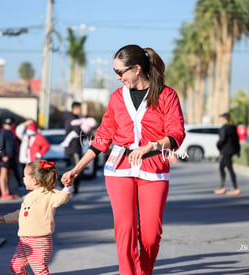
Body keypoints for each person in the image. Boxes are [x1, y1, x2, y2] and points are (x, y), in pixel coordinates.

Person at [61, 44, 186, 275]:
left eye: (120, 72)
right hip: (119, 169)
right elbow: (102, 137)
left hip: (154, 169)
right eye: (115, 71)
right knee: (125, 229)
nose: (117, 77)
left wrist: (154, 145)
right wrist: (77, 168)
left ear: (137, 69)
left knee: (150, 235)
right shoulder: (117, 98)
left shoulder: (167, 95)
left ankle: (144, 271)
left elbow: (177, 133)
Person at [0, 160, 71, 275]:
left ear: (34, 181)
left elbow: (62, 198)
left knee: (40, 271)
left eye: (25, 177)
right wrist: (5, 218)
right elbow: (22, 213)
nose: (23, 179)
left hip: (39, 241)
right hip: (24, 241)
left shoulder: (49, 193)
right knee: (16, 267)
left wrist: (67, 188)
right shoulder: (29, 196)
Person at [215, 112, 241, 195]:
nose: (221, 119)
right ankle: (222, 187)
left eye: (222, 118)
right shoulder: (233, 127)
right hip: (232, 150)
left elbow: (222, 139)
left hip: (225, 151)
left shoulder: (224, 128)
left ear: (224, 119)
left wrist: (218, 145)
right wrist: (238, 151)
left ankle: (235, 188)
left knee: (229, 169)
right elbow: (237, 140)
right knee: (221, 167)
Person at [63, 101, 83, 195]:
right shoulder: (72, 119)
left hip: (76, 148)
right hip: (73, 148)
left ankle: (74, 189)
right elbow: (78, 132)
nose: (81, 110)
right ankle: (73, 189)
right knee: (76, 169)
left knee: (76, 169)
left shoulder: (76, 118)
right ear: (75, 109)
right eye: (80, 108)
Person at [0, 117, 19, 200]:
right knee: (3, 175)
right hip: (6, 156)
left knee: (9, 175)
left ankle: (8, 191)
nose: (9, 126)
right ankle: (4, 193)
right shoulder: (3, 133)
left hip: (11, 156)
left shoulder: (11, 132)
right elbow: (0, 144)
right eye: (7, 125)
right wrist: (3, 155)